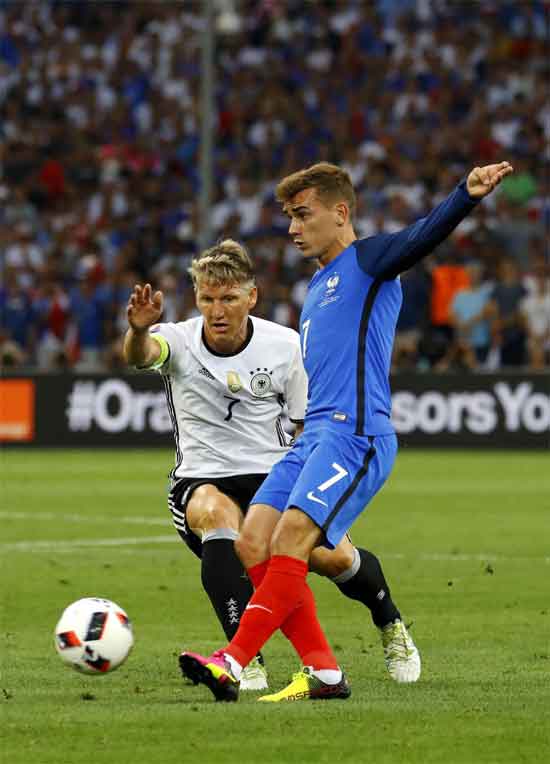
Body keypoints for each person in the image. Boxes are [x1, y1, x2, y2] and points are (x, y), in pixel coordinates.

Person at [180, 160, 513, 702]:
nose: (292, 228)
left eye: (302, 214)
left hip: (355, 435)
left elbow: (422, 236)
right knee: (252, 541)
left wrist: (465, 195)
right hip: (311, 437)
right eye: (289, 216)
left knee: (291, 539)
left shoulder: (369, 260)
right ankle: (326, 673)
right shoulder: (317, 285)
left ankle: (233, 662)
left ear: (339, 213)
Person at [123, 238, 419, 691]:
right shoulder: (178, 340)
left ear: (251, 296)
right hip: (201, 478)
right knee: (216, 514)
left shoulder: (285, 346)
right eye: (206, 299)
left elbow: (309, 428)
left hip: (272, 475)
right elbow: (140, 356)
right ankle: (248, 660)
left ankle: (389, 620)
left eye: (228, 298)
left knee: (334, 558)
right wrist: (140, 331)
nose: (216, 310)